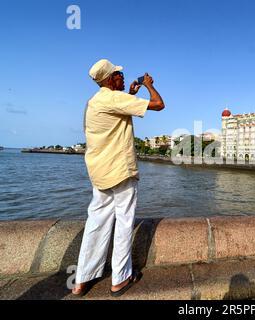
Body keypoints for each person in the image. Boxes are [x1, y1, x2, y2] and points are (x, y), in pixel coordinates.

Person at [72, 59, 165, 297]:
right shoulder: (114, 99)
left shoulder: (93, 102)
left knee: (96, 223)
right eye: (119, 75)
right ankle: (120, 278)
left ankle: (82, 279)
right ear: (111, 78)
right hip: (121, 170)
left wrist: (130, 93)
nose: (123, 77)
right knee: (124, 222)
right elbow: (158, 104)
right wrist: (147, 85)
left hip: (99, 171)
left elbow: (115, 114)